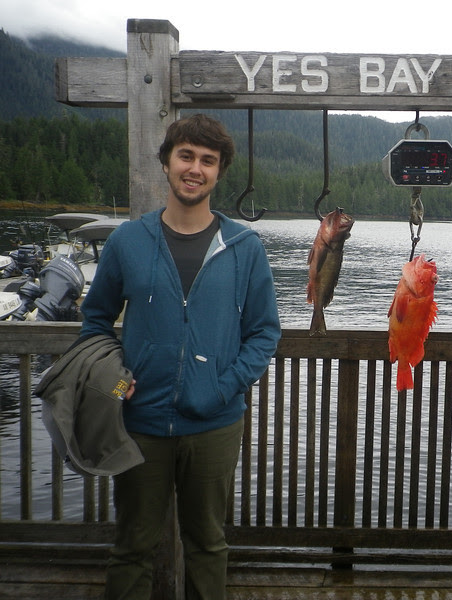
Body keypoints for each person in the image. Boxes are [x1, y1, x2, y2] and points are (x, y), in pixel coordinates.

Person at [80, 113, 282, 599]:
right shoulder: (128, 241)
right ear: (166, 162)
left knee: (208, 544)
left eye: (207, 160)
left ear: (219, 171)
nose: (195, 168)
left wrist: (222, 387)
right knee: (132, 546)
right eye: (186, 156)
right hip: (140, 423)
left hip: (215, 424)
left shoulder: (245, 247)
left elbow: (264, 333)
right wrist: (116, 382)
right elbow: (95, 323)